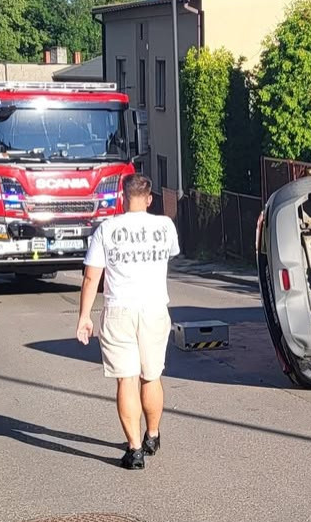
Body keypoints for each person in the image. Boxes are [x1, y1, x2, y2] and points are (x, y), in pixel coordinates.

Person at [76, 174, 180, 470]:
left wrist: (84, 316)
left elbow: (91, 277)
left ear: (122, 198)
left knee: (126, 379)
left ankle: (134, 450)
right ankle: (153, 435)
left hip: (120, 309)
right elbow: (169, 256)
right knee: (152, 375)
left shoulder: (107, 230)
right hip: (154, 309)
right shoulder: (165, 227)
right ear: (149, 199)